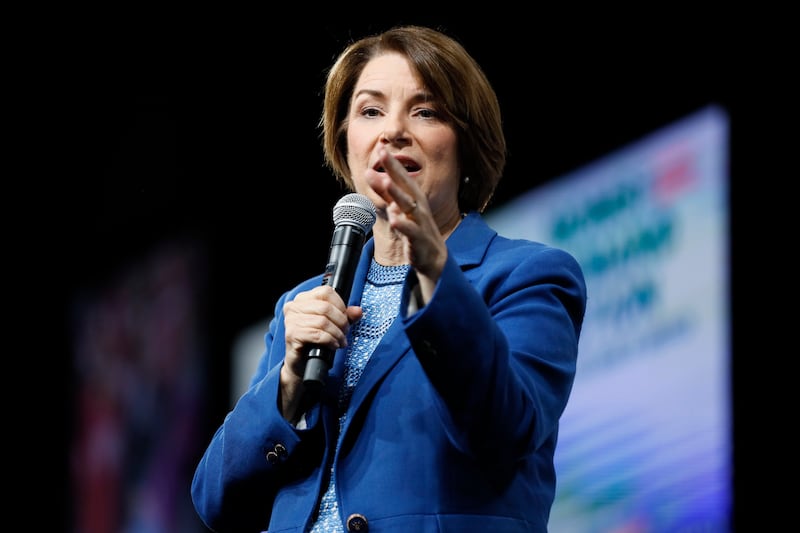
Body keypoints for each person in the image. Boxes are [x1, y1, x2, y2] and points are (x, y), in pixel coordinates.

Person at [191, 24, 587, 533]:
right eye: (370, 111)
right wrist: (287, 386)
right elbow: (215, 499)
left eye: (425, 112)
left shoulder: (529, 276)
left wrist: (434, 275)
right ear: (346, 141)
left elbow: (506, 431)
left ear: (466, 141)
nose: (392, 131)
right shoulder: (304, 303)